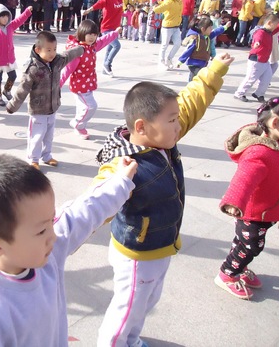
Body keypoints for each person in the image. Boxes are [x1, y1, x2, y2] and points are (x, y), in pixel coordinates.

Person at [95, 53, 235, 347]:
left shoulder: (162, 138)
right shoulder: (124, 163)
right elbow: (99, 197)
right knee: (128, 307)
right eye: (172, 121)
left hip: (160, 247)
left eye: (176, 119)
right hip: (136, 254)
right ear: (142, 126)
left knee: (147, 301)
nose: (178, 125)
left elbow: (191, 102)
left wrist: (213, 71)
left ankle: (131, 339)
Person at [0, 153, 137, 345]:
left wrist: (121, 182)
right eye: (41, 230)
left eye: (51, 220)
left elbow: (84, 211)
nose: (53, 235)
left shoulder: (44, 250)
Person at [215, 97, 279, 299]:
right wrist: (233, 202)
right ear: (275, 123)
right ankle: (228, 274)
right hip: (253, 214)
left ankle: (239, 266)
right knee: (251, 246)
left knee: (242, 242)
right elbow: (244, 180)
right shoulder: (260, 152)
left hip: (267, 210)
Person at [6, 31, 84, 168]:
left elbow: (69, 54)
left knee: (49, 136)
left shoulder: (57, 61)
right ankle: (33, 159)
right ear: (38, 50)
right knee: (36, 136)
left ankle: (46, 156)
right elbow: (22, 89)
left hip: (53, 107)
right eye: (48, 50)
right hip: (38, 110)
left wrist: (81, 48)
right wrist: (12, 105)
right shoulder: (32, 69)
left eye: (54, 49)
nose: (52, 53)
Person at [61, 20, 121, 139]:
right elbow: (67, 70)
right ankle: (78, 124)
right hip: (79, 85)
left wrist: (114, 33)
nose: (92, 37)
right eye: (89, 34)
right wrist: (57, 85)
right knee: (91, 106)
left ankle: (80, 128)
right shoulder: (78, 50)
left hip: (88, 83)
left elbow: (103, 41)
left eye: (95, 35)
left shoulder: (92, 46)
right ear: (82, 33)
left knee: (82, 107)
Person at [83, 0, 134, 77]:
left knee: (110, 47)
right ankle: (107, 64)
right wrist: (88, 10)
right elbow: (97, 5)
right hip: (106, 28)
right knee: (116, 46)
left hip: (115, 29)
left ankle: (105, 69)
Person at [0, 4, 32, 106]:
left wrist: (27, 12)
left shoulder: (10, 26)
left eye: (6, 16)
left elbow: (19, 20)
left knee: (13, 76)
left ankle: (6, 91)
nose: (5, 19)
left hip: (9, 58)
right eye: (2, 16)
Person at [234, 14, 279, 102]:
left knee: (267, 79)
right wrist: (256, 43)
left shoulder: (270, 32)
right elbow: (257, 38)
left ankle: (259, 94)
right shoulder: (260, 32)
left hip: (265, 61)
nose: (275, 27)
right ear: (269, 23)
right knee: (250, 79)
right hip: (256, 59)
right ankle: (239, 93)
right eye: (275, 25)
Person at [178, 17, 230, 81]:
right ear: (203, 29)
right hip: (194, 64)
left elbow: (216, 32)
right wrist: (180, 61)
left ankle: (193, 88)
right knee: (197, 79)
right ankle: (192, 89)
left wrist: (225, 27)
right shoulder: (195, 38)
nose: (212, 29)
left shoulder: (207, 36)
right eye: (210, 28)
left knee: (196, 79)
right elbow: (188, 50)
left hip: (203, 63)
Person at [153, 0, 188, 70]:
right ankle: (161, 62)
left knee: (177, 44)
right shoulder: (169, 1)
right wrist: (155, 6)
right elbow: (158, 9)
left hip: (176, 27)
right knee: (164, 45)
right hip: (167, 27)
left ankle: (169, 59)